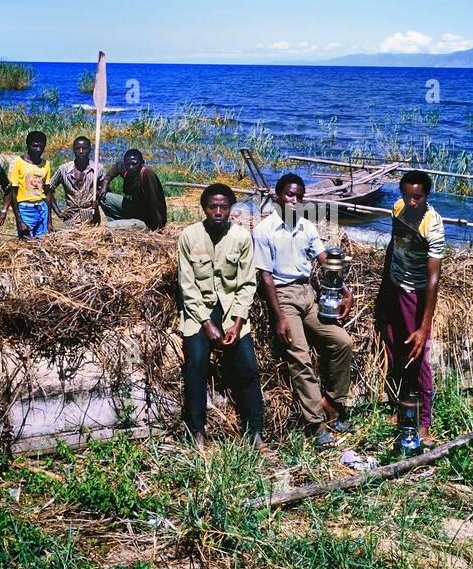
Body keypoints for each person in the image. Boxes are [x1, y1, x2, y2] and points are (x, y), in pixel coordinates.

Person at [253, 173, 353, 448]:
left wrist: (344, 290)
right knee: (301, 357)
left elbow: (324, 261)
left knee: (342, 342)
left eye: (298, 196)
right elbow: (266, 278)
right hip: (284, 297)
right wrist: (279, 318)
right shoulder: (264, 230)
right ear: (277, 196)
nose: (294, 200)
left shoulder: (306, 226)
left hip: (307, 293)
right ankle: (316, 424)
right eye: (289, 194)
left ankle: (333, 403)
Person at [177, 183, 265, 455]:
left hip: (231, 311)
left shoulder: (241, 237)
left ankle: (254, 431)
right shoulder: (189, 236)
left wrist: (237, 323)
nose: (218, 212)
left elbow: (247, 284)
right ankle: (197, 431)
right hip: (198, 313)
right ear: (204, 208)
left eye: (223, 207)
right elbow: (187, 286)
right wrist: (207, 323)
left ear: (230, 210)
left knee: (248, 366)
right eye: (212, 207)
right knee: (197, 362)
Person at [375, 169, 446, 441]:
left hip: (414, 292)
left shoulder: (433, 225)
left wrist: (424, 325)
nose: (411, 202)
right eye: (407, 195)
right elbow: (393, 247)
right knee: (394, 347)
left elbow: (433, 279)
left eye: (417, 197)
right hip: (395, 284)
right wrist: (384, 289)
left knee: (418, 354)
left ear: (427, 196)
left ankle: (424, 420)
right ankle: (402, 405)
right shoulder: (398, 208)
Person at [99, 148, 167, 231]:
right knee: (104, 197)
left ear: (142, 163)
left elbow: (153, 202)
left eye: (134, 164)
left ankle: (120, 224)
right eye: (128, 164)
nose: (131, 167)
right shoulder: (127, 170)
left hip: (147, 219)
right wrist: (106, 181)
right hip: (136, 209)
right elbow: (117, 166)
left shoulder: (147, 175)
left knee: (109, 226)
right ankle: (120, 222)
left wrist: (156, 228)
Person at [5, 130, 52, 239]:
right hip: (25, 210)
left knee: (42, 243)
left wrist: (49, 221)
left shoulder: (46, 164)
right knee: (27, 243)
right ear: (28, 145)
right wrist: (19, 219)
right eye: (35, 146)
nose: (38, 150)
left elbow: (48, 192)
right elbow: (13, 192)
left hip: (42, 208)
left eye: (41, 146)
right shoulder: (17, 162)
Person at [47, 135, 99, 228]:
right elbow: (48, 189)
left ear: (90, 150)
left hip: (91, 216)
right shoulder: (64, 169)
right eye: (78, 149)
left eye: (84, 148)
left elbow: (105, 188)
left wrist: (98, 200)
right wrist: (59, 212)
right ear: (73, 150)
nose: (81, 151)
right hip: (71, 217)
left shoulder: (97, 168)